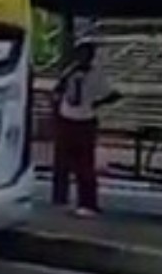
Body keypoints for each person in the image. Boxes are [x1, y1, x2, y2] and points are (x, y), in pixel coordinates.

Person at [51, 37, 120, 216]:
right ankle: (69, 198)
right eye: (80, 53)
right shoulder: (70, 72)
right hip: (68, 117)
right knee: (67, 160)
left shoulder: (97, 74)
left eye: (86, 54)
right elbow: (57, 90)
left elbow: (114, 94)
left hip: (85, 119)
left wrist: (97, 103)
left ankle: (88, 203)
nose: (82, 58)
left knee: (85, 164)